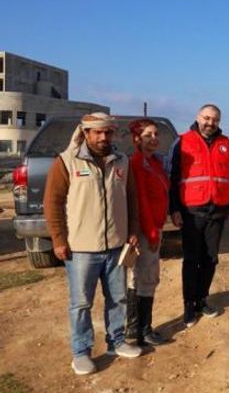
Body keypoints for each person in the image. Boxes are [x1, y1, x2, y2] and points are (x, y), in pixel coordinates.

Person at [43, 112, 142, 375]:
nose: (103, 137)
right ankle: (81, 352)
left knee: (118, 298)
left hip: (116, 246)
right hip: (81, 249)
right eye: (97, 132)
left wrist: (133, 230)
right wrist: (58, 239)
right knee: (81, 303)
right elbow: (52, 203)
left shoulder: (122, 161)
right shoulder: (67, 161)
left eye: (107, 132)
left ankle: (117, 341)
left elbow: (131, 199)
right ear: (86, 133)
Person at [169, 104, 229, 327]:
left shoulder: (226, 144)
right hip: (191, 211)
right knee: (191, 260)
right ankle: (189, 304)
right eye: (206, 118)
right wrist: (174, 209)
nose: (210, 123)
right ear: (198, 117)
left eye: (215, 120)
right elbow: (173, 176)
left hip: (216, 211)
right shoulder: (183, 141)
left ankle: (202, 299)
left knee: (210, 259)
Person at [125, 119, 170, 347]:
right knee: (144, 279)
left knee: (144, 278)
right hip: (146, 229)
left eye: (156, 134)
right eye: (148, 135)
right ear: (137, 139)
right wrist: (151, 232)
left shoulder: (152, 162)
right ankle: (140, 329)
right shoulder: (136, 164)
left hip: (155, 226)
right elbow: (140, 201)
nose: (154, 139)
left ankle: (138, 328)